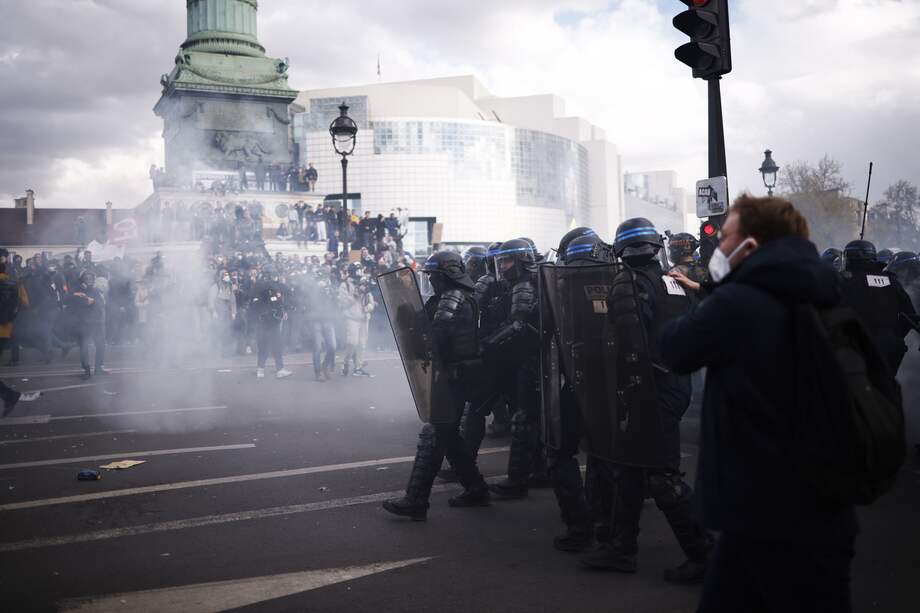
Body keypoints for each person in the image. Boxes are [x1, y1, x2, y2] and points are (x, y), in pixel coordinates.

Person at [659, 196, 860, 611]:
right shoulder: (820, 289)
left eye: (726, 236)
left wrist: (720, 288)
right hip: (820, 499)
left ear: (750, 245)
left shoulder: (740, 300)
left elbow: (675, 348)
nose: (718, 246)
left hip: (767, 507)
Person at [578, 218, 711, 583]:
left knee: (661, 476)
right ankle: (621, 548)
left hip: (650, 386)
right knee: (631, 467)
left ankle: (704, 554)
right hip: (674, 381)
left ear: (622, 249)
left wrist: (628, 383)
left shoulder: (629, 282)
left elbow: (630, 341)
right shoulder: (673, 280)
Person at [382, 251, 491, 520]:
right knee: (448, 435)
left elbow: (435, 337)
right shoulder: (451, 296)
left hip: (454, 376)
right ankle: (476, 488)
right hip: (454, 375)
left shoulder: (453, 297)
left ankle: (416, 500)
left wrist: (416, 336)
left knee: (434, 433)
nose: (431, 280)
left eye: (434, 276)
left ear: (448, 275)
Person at [485, 238, 544, 499]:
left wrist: (489, 344)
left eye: (507, 261)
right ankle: (539, 471)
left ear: (521, 260)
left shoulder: (524, 284)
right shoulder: (524, 282)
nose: (502, 266)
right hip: (529, 358)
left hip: (530, 359)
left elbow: (518, 325)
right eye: (501, 261)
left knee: (524, 419)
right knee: (532, 420)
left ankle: (517, 480)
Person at [838, 240, 916, 375]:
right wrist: (894, 335)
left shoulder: (845, 282)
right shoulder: (891, 281)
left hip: (857, 347)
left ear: (850, 258)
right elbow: (910, 315)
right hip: (891, 348)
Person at [250, 269, 292, 379]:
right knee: (276, 345)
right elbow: (287, 290)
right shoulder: (273, 286)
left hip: (261, 320)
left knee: (263, 345)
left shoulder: (258, 285)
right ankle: (280, 369)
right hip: (272, 320)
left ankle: (260, 370)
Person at [66, 270, 107, 379]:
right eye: (87, 278)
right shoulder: (76, 290)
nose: (89, 280)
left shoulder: (95, 291)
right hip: (84, 323)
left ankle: (98, 368)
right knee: (84, 347)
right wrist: (76, 295)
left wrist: (93, 302)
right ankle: (86, 369)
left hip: (96, 322)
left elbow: (101, 304)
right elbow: (66, 299)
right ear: (82, 279)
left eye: (91, 278)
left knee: (101, 345)